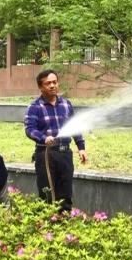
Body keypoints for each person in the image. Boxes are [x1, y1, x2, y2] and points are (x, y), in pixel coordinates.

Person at [24, 69, 87, 211]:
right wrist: (43, 138)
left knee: (66, 195)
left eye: (54, 82)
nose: (52, 86)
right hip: (45, 155)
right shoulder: (34, 107)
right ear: (41, 87)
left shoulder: (66, 104)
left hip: (65, 155)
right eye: (48, 83)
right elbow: (30, 129)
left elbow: (74, 127)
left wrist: (81, 147)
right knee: (47, 195)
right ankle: (47, 229)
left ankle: (64, 227)